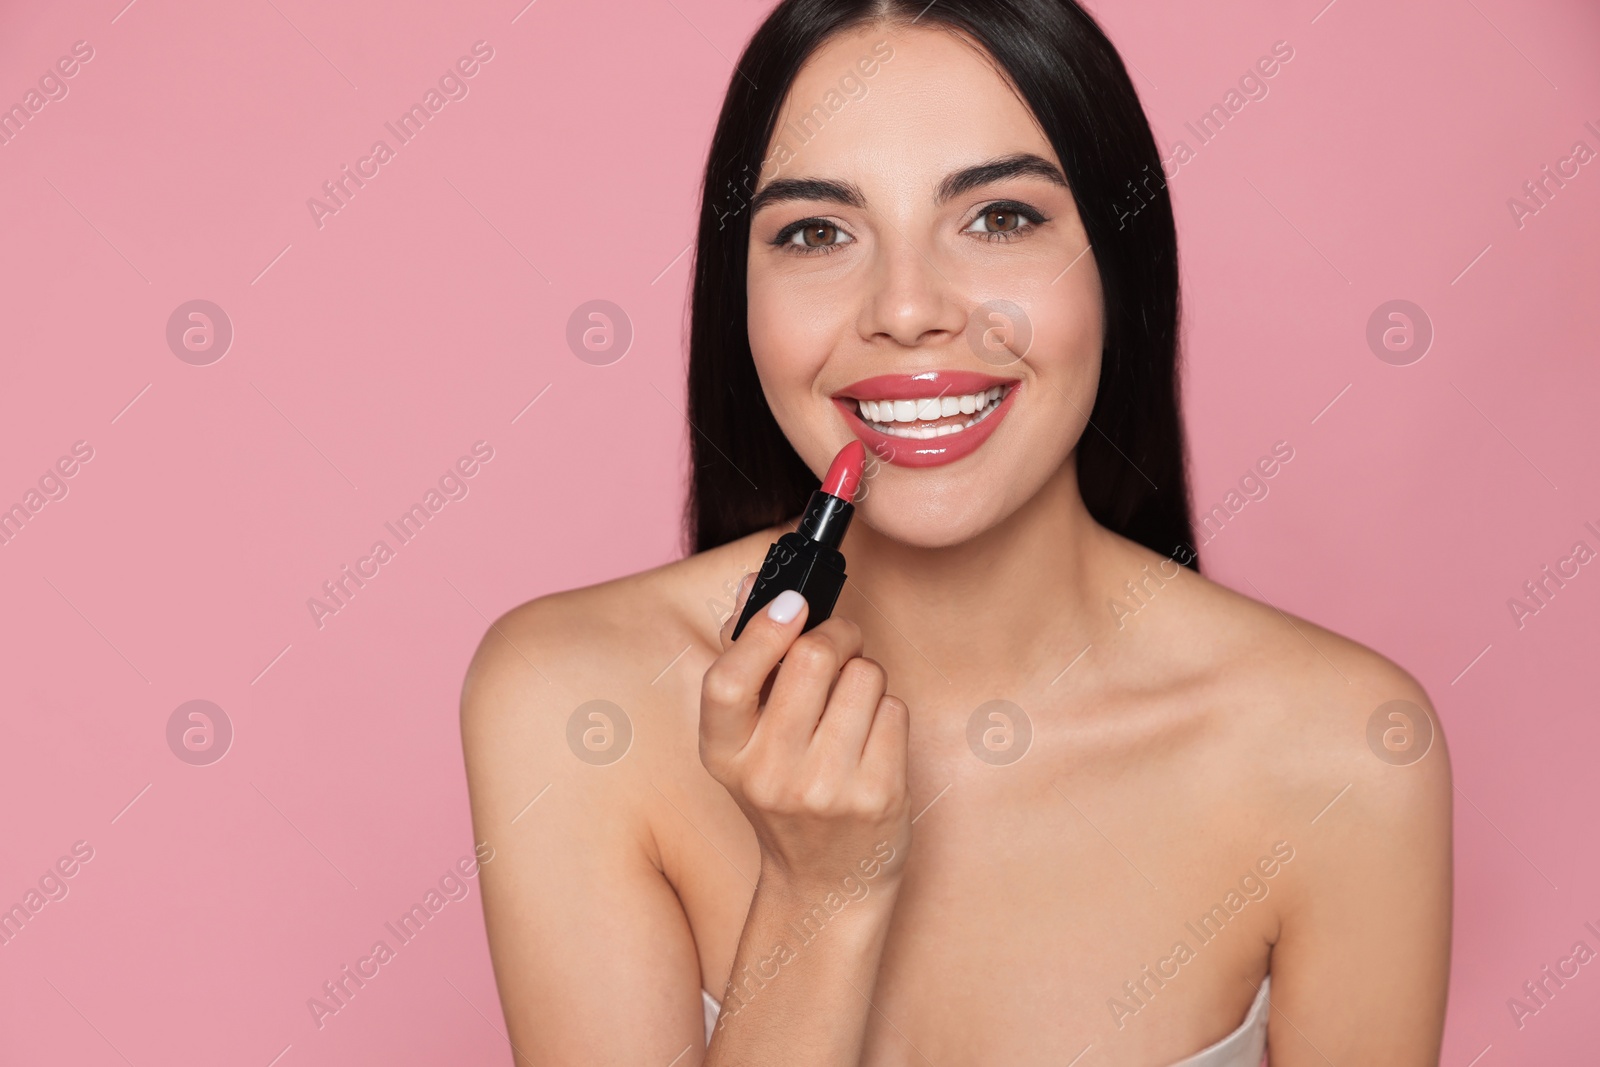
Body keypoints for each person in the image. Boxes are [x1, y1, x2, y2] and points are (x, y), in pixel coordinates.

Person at [460, 1, 1453, 1063]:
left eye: (999, 218)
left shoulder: (1345, 750)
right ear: (734, 296)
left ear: (1118, 266)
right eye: (816, 231)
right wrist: (819, 894)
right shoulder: (570, 704)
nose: (906, 307)